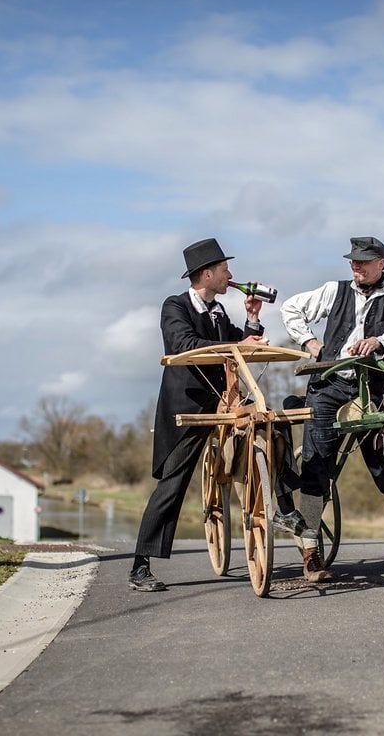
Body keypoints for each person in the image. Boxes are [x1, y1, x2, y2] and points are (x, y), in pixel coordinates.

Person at [278, 236, 384, 582]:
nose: (356, 267)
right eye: (353, 262)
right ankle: (310, 552)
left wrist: (379, 342)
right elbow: (290, 309)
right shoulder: (334, 291)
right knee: (317, 461)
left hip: (369, 388)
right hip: (328, 385)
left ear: (382, 263)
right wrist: (310, 342)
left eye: (364, 262)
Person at [129, 238, 266, 592]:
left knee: (267, 430)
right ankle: (139, 566)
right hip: (187, 410)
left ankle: (279, 507)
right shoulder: (174, 306)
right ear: (207, 274)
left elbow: (241, 345)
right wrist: (237, 345)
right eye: (224, 270)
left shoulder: (219, 312)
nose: (230, 276)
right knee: (172, 484)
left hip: (224, 405)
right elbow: (184, 345)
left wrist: (252, 320)